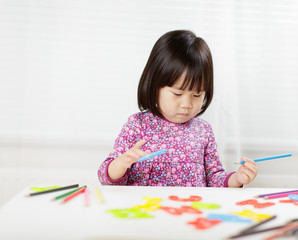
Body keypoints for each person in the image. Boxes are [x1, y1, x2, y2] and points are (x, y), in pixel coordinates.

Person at [97, 30, 258, 187]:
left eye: (197, 95)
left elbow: (215, 178)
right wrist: (122, 162)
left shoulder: (203, 130)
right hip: (146, 211)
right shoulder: (137, 125)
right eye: (177, 93)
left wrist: (237, 179)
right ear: (155, 86)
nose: (186, 104)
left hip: (191, 210)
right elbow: (106, 177)